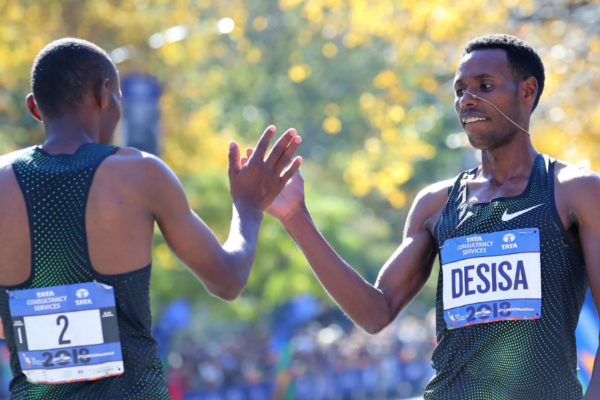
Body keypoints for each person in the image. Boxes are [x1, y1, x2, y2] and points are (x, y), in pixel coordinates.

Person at [266, 33, 600, 399]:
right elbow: (375, 313)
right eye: (459, 90)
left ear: (528, 91)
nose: (467, 100)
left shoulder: (574, 190)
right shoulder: (436, 204)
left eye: (484, 86)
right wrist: (296, 217)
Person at [0, 37, 302, 399]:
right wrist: (248, 208)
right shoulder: (140, 173)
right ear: (104, 92)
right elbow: (228, 279)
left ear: (35, 108)